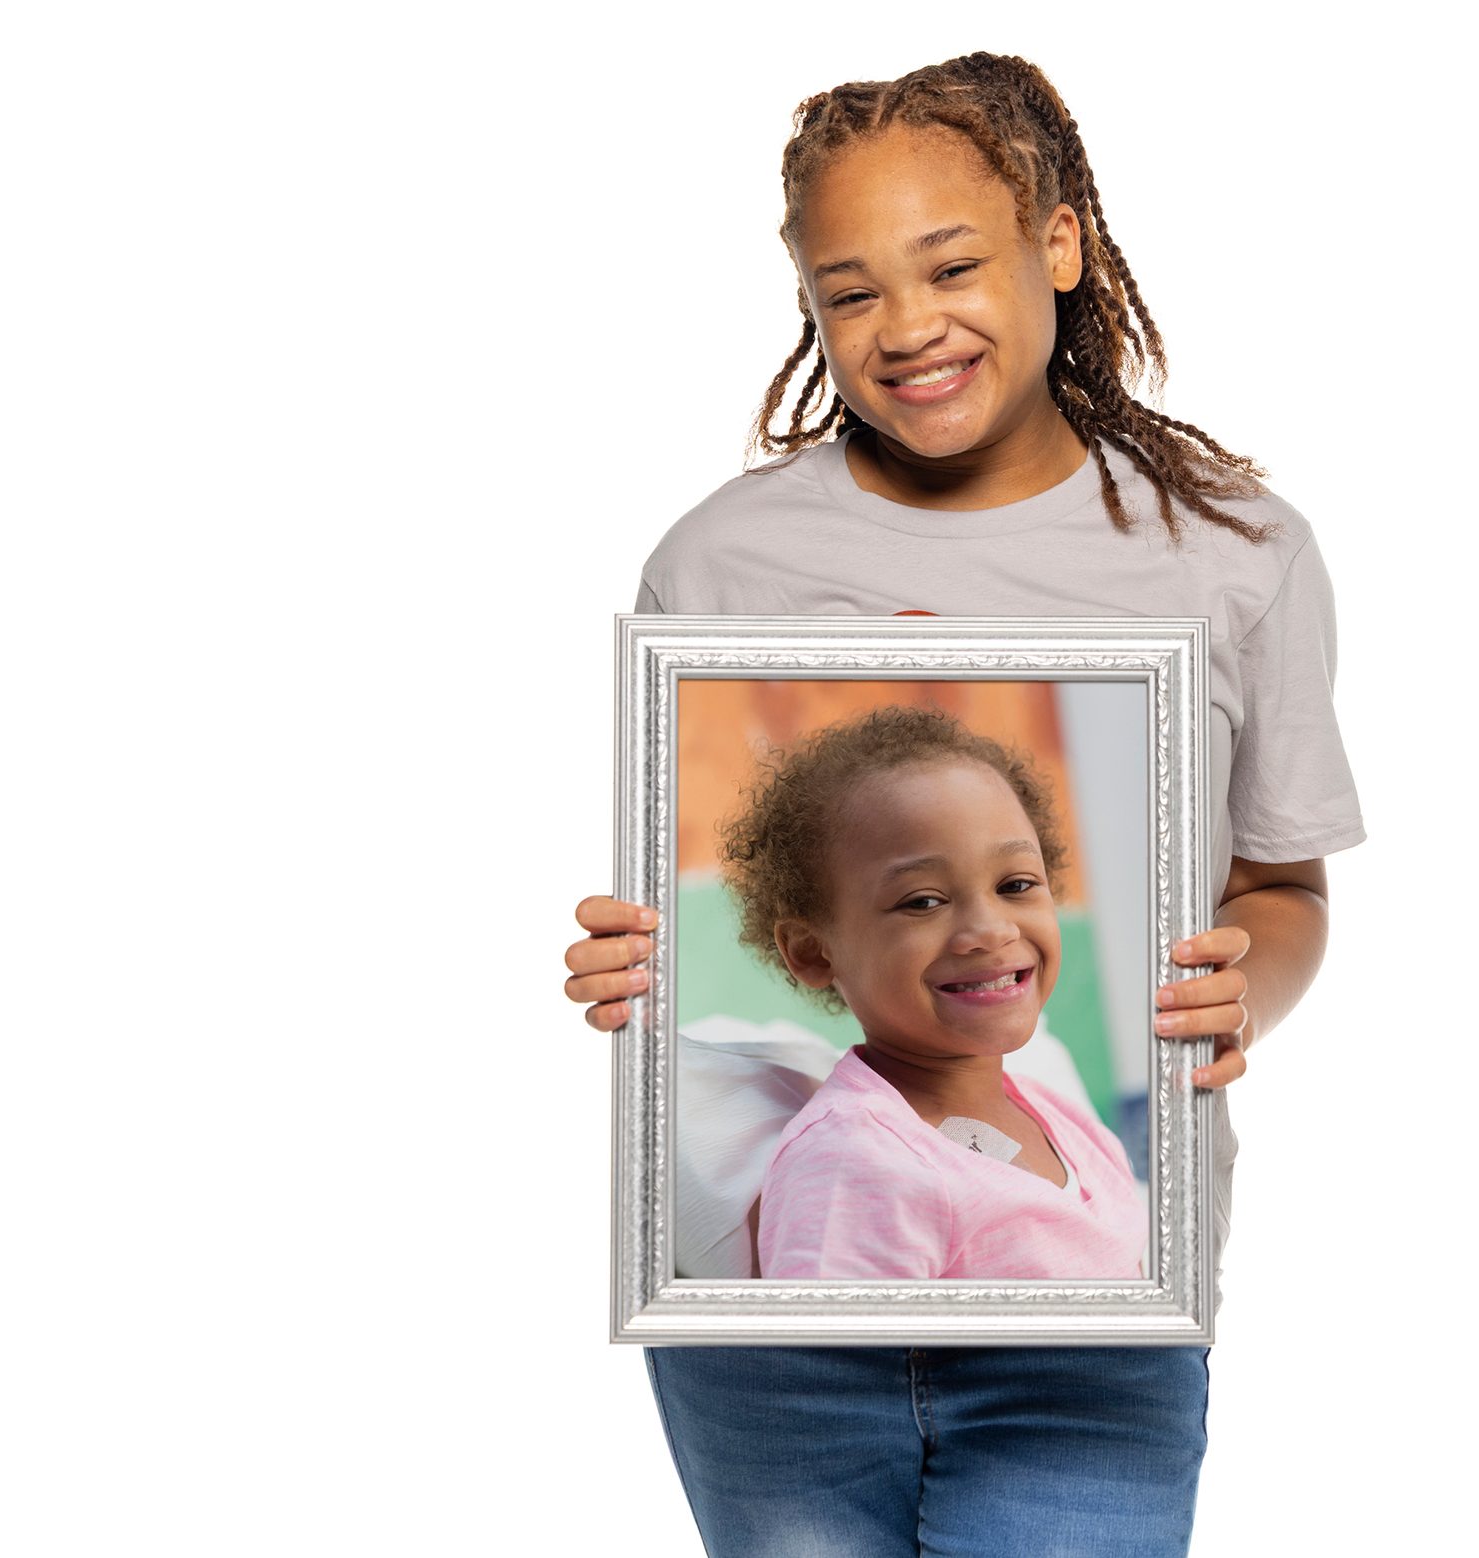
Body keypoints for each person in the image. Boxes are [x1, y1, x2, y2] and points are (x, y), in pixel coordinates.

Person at [561, 51, 1365, 1558]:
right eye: (849, 291)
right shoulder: (721, 564)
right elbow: (719, 906)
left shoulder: (1233, 553)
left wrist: (1239, 981)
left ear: (1057, 242)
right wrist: (635, 966)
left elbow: (1289, 888)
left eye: (952, 264)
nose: (907, 326)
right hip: (777, 1360)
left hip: (1097, 1340)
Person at [718, 703, 1150, 1281]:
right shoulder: (854, 1162)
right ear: (811, 951)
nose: (992, 931)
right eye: (923, 901)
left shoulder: (1065, 1121)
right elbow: (834, 1369)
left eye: (1015, 885)